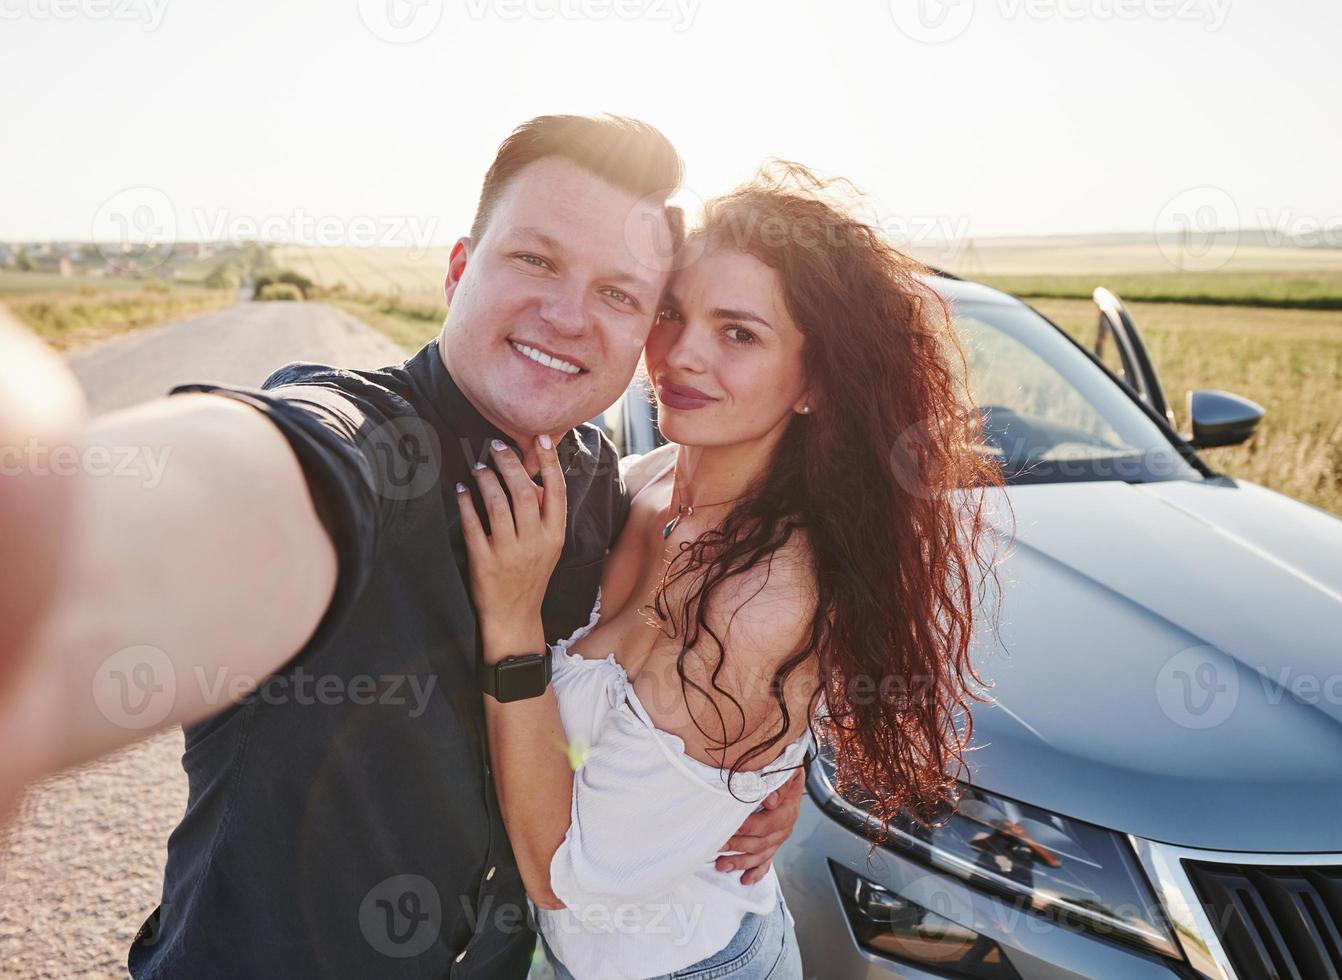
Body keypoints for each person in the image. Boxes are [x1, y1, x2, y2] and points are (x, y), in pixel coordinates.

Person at [0, 114, 804, 979]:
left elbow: (743, 590)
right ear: (459, 270)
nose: (569, 316)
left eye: (620, 294)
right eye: (535, 260)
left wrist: (766, 761)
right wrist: (59, 546)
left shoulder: (602, 483)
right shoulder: (358, 444)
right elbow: (252, 486)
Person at [453, 165, 1002, 979]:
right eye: (672, 313)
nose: (680, 355)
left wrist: (511, 623)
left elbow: (568, 881)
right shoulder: (642, 482)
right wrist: (770, 774)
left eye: (739, 334)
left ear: (813, 381)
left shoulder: (761, 598)